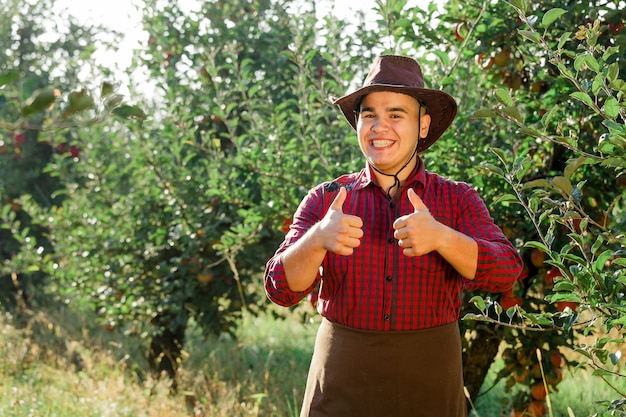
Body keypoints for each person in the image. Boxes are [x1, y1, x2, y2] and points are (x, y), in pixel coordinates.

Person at [264, 54, 523, 417]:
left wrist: (443, 238)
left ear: (423, 125)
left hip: (430, 381)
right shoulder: (327, 200)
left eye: (395, 115)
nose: (379, 126)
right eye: (369, 114)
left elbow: (507, 271)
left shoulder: (457, 199)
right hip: (341, 381)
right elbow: (279, 289)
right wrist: (318, 238)